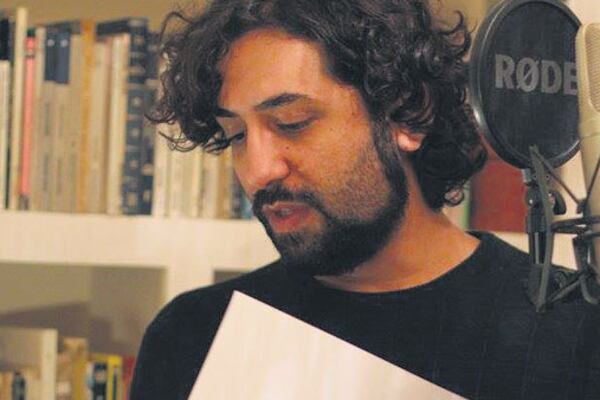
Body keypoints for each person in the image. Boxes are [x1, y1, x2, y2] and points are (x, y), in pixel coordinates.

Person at [130, 0, 600, 398]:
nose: (257, 170)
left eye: (292, 123)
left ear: (409, 114)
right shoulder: (191, 336)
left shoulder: (575, 335)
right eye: (235, 135)